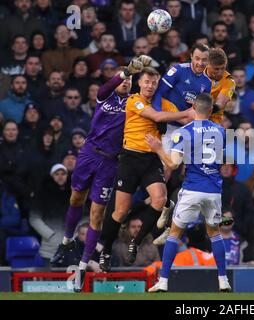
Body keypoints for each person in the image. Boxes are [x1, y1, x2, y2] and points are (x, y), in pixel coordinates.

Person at [50, 57, 146, 291]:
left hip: (111, 162)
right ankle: (66, 241)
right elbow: (103, 88)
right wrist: (124, 73)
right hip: (89, 153)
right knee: (75, 199)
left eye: (130, 78)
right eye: (123, 78)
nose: (126, 82)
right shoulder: (105, 96)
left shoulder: (136, 104)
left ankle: (83, 266)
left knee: (96, 214)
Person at [98, 66, 194, 276]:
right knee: (121, 211)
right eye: (146, 82)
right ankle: (105, 249)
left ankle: (136, 241)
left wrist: (203, 114)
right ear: (139, 83)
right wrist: (187, 111)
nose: (150, 86)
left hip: (151, 159)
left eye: (154, 82)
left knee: (160, 199)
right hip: (130, 159)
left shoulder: (163, 103)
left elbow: (184, 119)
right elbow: (159, 117)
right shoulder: (134, 100)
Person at [146, 93, 232, 293]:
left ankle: (164, 281)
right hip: (213, 191)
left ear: (193, 107)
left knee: (174, 233)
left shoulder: (184, 132)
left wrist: (159, 149)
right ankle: (223, 280)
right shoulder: (220, 131)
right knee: (215, 234)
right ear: (211, 110)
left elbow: (174, 164)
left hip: (192, 188)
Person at [29, 164, 71, 266]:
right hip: (49, 250)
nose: (60, 176)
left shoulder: (74, 194)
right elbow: (34, 218)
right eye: (57, 174)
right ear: (52, 176)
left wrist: (75, 235)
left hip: (70, 250)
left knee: (72, 282)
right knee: (50, 281)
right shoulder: (42, 194)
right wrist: (51, 235)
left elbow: (84, 217)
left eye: (63, 174)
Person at [205, 48, 236, 124]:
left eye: (223, 68)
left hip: (212, 121)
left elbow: (219, 104)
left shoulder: (229, 81)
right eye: (216, 69)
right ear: (207, 64)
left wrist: (199, 109)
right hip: (189, 117)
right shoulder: (197, 74)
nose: (220, 72)